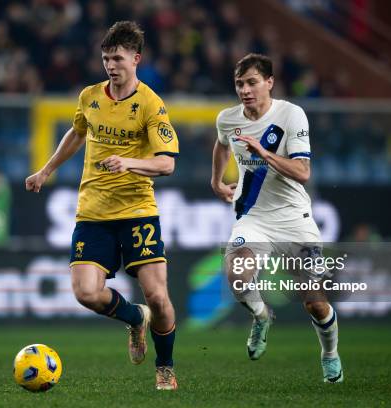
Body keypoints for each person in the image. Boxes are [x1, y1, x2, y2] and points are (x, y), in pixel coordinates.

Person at [25, 21, 179, 390]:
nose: (111, 66)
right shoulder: (90, 96)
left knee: (158, 296)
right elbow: (78, 132)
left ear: (136, 59)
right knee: (86, 293)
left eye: (119, 58)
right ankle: (132, 318)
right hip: (93, 211)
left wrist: (129, 163)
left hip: (137, 210)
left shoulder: (151, 104)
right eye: (107, 58)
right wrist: (46, 170)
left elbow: (167, 163)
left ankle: (166, 367)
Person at [211, 53, 343, 383]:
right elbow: (222, 144)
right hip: (252, 218)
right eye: (239, 83)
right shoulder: (228, 119)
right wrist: (216, 181)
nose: (245, 89)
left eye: (252, 82)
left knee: (314, 302)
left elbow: (303, 171)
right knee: (238, 277)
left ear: (269, 82)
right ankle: (261, 316)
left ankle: (330, 354)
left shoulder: (290, 114)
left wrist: (264, 153)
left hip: (294, 220)